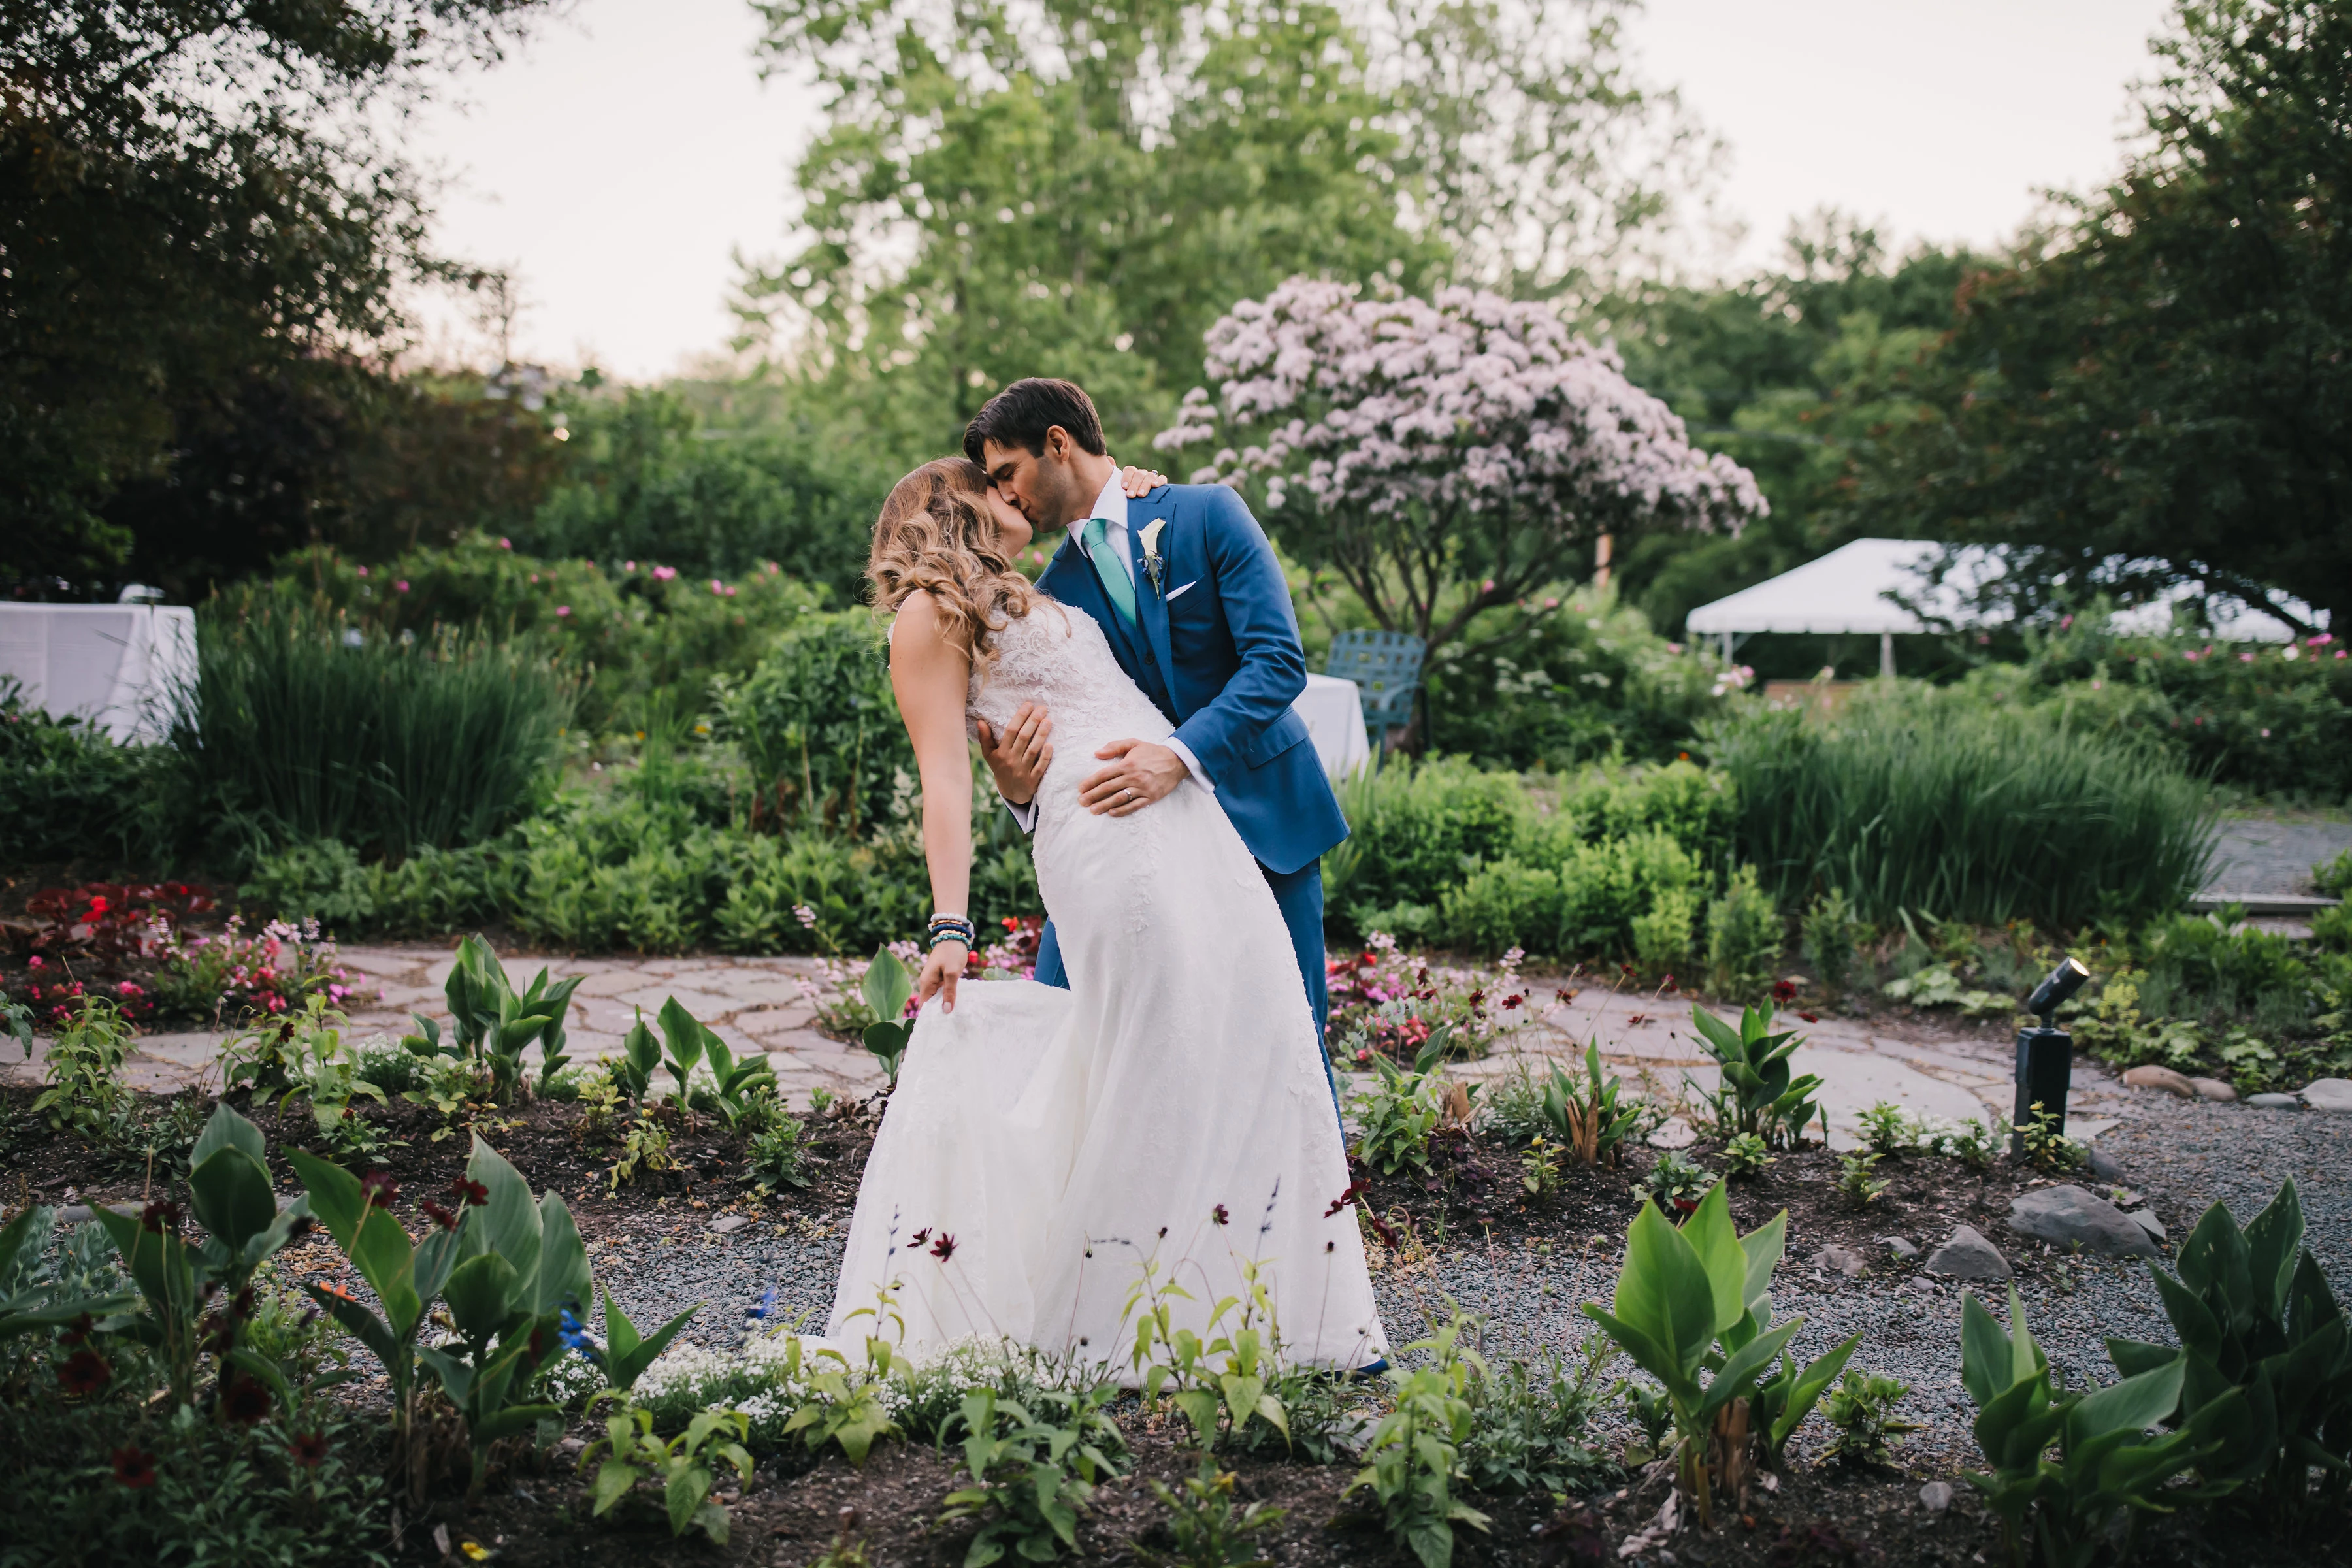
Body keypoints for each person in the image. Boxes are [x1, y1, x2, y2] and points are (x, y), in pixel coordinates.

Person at [820, 452, 1386, 1376]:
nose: (1011, 496)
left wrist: (1129, 484)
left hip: (1198, 829)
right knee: (1156, 1060)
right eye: (989, 486)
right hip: (1111, 841)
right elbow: (946, 780)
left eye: (1010, 475)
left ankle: (1296, 1317)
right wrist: (951, 927)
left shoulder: (1042, 585)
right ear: (946, 510)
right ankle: (1112, 1334)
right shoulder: (927, 617)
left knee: (1261, 1039)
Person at [962, 380, 1351, 1105]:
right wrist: (1017, 790)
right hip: (1132, 844)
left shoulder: (1206, 514)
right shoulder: (1053, 592)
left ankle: (1315, 1214)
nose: (1003, 495)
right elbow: (1058, 724)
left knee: (1290, 1038)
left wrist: (1178, 757)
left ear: (1057, 443)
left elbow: (1277, 662)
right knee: (1065, 1015)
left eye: (1006, 472)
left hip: (1260, 816)